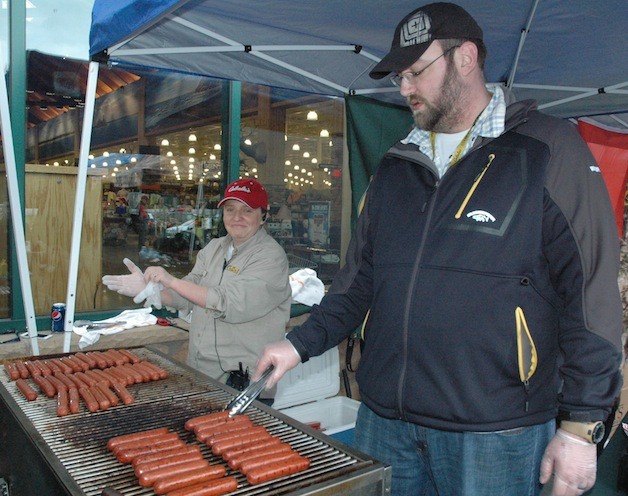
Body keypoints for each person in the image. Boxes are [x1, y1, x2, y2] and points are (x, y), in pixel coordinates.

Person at [253, 3, 623, 496]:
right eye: (399, 76)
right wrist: (297, 344)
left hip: (496, 430)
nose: (404, 88)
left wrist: (579, 427)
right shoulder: (396, 165)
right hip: (386, 420)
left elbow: (592, 293)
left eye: (416, 72)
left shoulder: (549, 149)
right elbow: (357, 281)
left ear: (466, 58)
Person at [104, 179, 292, 401]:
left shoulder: (271, 257)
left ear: (264, 216)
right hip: (202, 372)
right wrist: (152, 291)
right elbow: (187, 294)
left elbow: (228, 302)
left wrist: (171, 280)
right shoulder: (214, 248)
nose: (237, 217)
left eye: (247, 210)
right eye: (230, 209)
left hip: (243, 382)